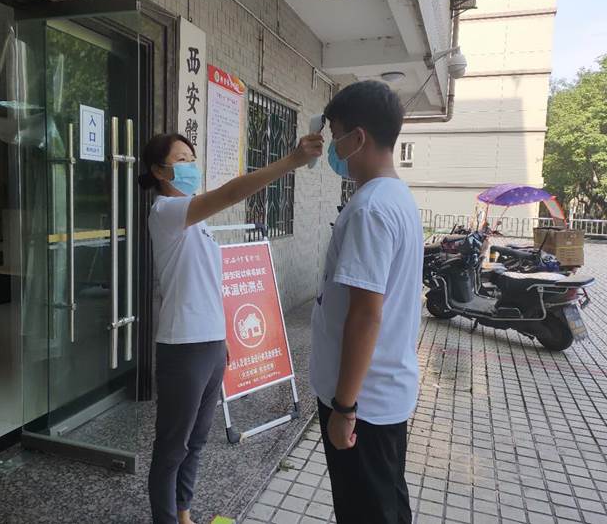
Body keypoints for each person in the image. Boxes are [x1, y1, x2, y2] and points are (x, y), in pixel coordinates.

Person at [139, 132, 322, 524]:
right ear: (158, 171)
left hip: (210, 346)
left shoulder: (197, 222)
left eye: (192, 157)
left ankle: (184, 514)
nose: (191, 166)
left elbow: (208, 285)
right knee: (172, 448)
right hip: (182, 347)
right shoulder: (166, 212)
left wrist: (221, 339)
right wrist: (290, 161)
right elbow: (232, 192)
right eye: (181, 159)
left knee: (197, 441)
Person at [310, 80, 423, 524]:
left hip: (364, 405)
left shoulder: (369, 209)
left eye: (336, 135)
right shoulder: (396, 196)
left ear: (357, 137)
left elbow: (365, 315)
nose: (333, 147)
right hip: (381, 394)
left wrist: (344, 408)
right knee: (386, 505)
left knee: (366, 512)